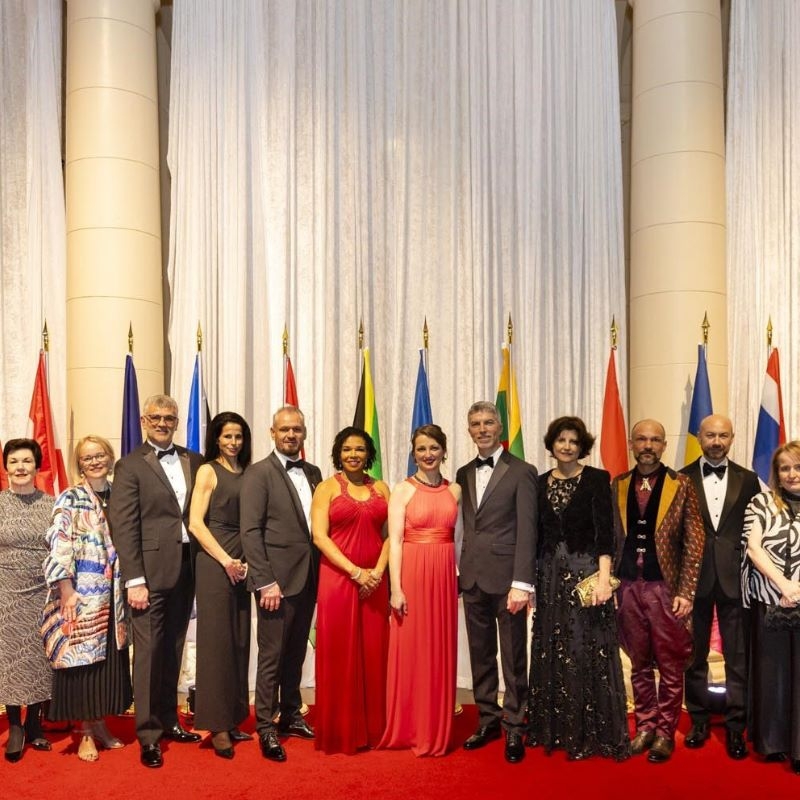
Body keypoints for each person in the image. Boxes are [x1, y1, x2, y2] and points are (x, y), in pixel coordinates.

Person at [108, 394, 204, 768]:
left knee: (173, 648)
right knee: (148, 653)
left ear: (177, 422)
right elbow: (125, 526)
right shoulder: (130, 465)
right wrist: (134, 578)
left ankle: (168, 719)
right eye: (156, 417)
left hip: (188, 566)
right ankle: (148, 734)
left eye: (170, 417)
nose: (163, 423)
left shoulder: (193, 460)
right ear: (145, 422)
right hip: (147, 573)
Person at [526, 416, 629, 761]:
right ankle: (555, 730)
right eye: (561, 440)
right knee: (553, 650)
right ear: (551, 444)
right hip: (550, 578)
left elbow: (607, 535)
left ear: (581, 445)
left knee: (587, 650)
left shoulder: (598, 480)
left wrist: (604, 580)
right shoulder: (539, 484)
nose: (567, 446)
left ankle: (588, 733)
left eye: (573, 441)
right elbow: (535, 537)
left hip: (587, 575)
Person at [612, 418, 704, 763]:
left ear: (664, 446)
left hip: (665, 588)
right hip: (628, 588)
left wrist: (686, 591)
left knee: (669, 663)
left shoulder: (681, 484)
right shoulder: (618, 484)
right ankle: (645, 726)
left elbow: (695, 542)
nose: (648, 445)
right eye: (641, 439)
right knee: (638, 663)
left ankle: (665, 731)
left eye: (655, 440)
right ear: (632, 443)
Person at [456, 401, 537, 764]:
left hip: (508, 581)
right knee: (481, 655)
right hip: (471, 577)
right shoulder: (461, 472)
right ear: (470, 430)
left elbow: (528, 531)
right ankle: (488, 719)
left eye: (489, 422)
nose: (483, 428)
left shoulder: (522, 471)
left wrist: (523, 582)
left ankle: (516, 724)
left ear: (500, 428)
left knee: (514, 656)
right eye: (476, 423)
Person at [240, 406, 322, 763]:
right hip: (276, 582)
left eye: (297, 430)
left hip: (309, 578)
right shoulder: (259, 473)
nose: (291, 435)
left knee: (295, 653)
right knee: (271, 656)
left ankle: (290, 713)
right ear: (272, 433)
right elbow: (250, 531)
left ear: (304, 433)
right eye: (284, 429)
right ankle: (265, 726)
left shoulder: (315, 472)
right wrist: (265, 581)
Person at [43, 436, 132, 762]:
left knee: (106, 664)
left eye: (99, 455)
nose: (94, 461)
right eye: (87, 458)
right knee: (82, 665)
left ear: (110, 458)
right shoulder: (71, 497)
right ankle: (83, 733)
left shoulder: (121, 494)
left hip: (115, 597)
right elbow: (59, 541)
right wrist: (65, 589)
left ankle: (100, 725)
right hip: (83, 595)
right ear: (79, 464)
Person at [680, 414, 760, 759]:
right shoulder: (679, 479)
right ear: (699, 437)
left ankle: (735, 727)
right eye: (710, 435)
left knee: (737, 658)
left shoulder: (749, 479)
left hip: (736, 580)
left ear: (732, 438)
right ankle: (697, 720)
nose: (716, 441)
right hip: (692, 581)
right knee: (693, 656)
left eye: (723, 435)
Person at [379, 424, 461, 756]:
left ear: (444, 450)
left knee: (439, 649)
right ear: (413, 453)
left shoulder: (455, 490)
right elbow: (395, 541)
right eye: (421, 449)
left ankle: (435, 725)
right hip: (412, 571)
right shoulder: (402, 490)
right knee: (412, 649)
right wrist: (395, 588)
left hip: (443, 575)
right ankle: (409, 727)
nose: (428, 454)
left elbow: (460, 539)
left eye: (433, 448)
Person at [310, 426, 390, 755]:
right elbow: (319, 536)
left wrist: (378, 572)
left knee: (375, 653)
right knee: (339, 654)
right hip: (338, 579)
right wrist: (356, 572)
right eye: (346, 449)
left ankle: (375, 730)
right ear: (338, 454)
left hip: (376, 581)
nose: (353, 455)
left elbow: (391, 534)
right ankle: (341, 730)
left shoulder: (383, 488)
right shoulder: (326, 488)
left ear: (368, 454)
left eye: (359, 449)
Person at [189, 412, 253, 759]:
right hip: (216, 565)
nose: (233, 443)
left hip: (244, 566)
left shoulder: (250, 472)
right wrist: (226, 560)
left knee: (239, 641)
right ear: (216, 438)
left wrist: (244, 562)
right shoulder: (208, 470)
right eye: (227, 436)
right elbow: (196, 523)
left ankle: (233, 716)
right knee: (216, 645)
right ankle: (216, 726)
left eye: (239, 437)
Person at [742, 440, 800, 772]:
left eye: (797, 466)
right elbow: (753, 548)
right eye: (784, 467)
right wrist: (785, 585)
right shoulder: (761, 502)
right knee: (774, 676)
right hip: (771, 600)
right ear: (776, 473)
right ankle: (775, 743)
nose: (791, 474)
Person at [0, 438, 54, 762]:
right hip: (4, 590)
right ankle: (15, 725)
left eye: (26, 461)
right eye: (14, 462)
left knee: (36, 655)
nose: (20, 467)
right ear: (5, 467)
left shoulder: (52, 504)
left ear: (37, 466)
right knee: (9, 657)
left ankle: (35, 723)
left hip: (41, 589)